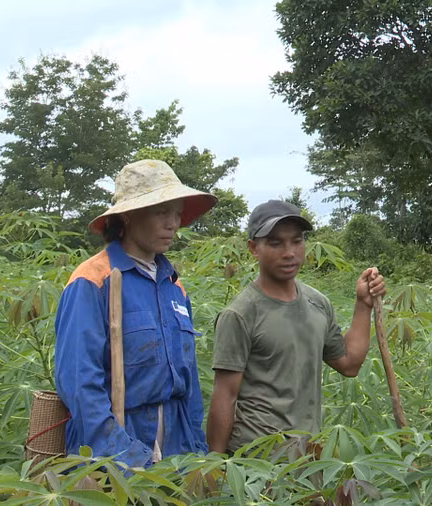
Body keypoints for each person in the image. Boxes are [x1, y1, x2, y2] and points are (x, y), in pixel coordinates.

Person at [55, 159, 215, 467]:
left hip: (178, 448)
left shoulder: (173, 285)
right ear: (128, 215)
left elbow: (190, 384)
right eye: (161, 212)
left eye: (178, 213)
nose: (173, 223)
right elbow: (79, 382)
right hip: (115, 452)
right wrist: (125, 455)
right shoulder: (94, 280)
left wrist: (197, 451)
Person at [207, 200, 386, 454]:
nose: (289, 252)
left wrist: (363, 305)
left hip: (306, 454)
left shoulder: (317, 303)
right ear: (253, 248)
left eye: (297, 241)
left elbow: (349, 363)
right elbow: (225, 395)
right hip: (256, 458)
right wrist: (215, 465)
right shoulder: (240, 313)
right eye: (275, 243)